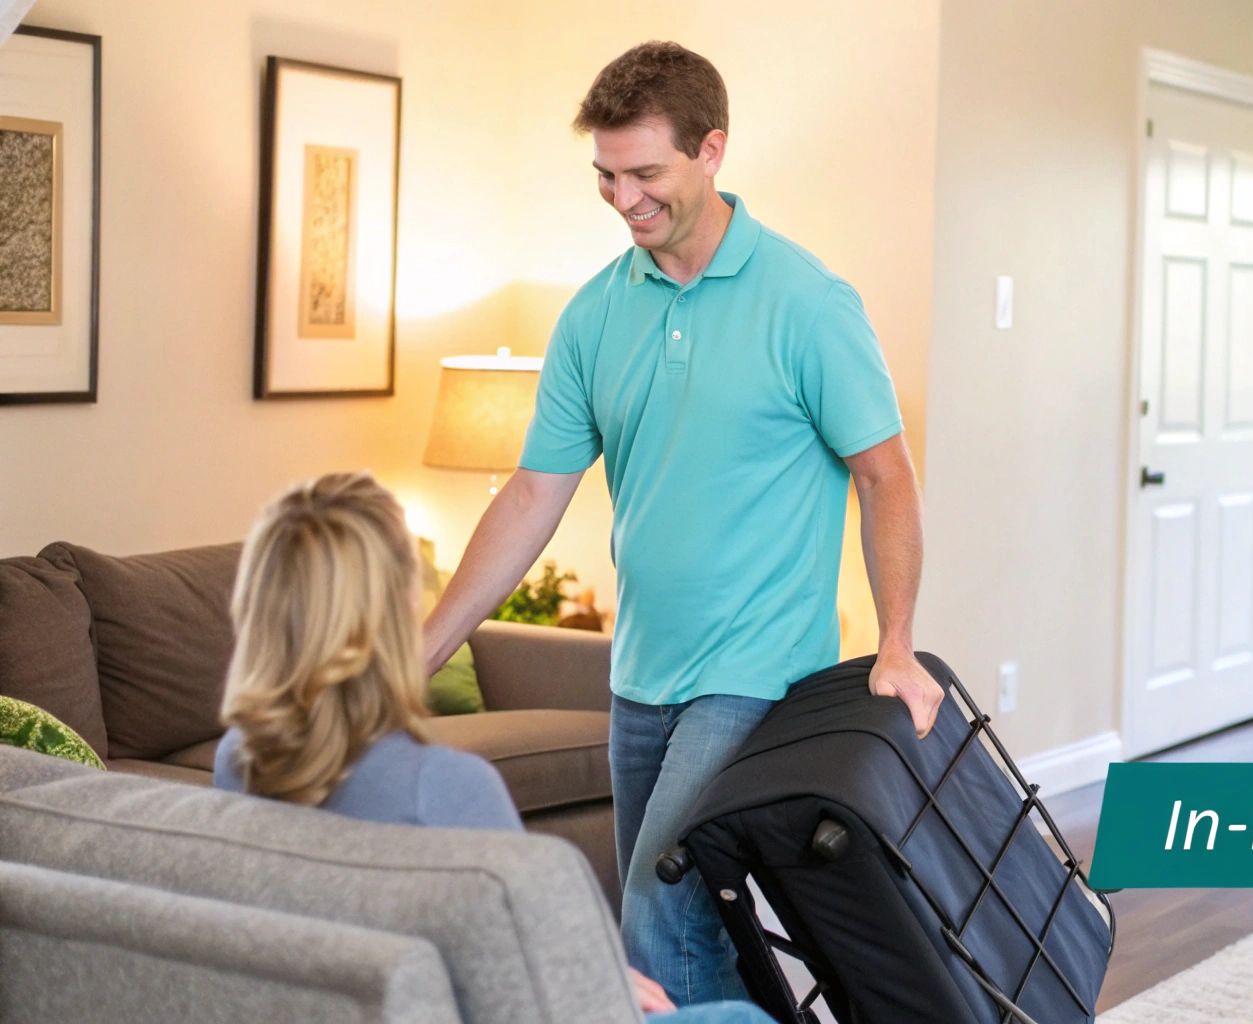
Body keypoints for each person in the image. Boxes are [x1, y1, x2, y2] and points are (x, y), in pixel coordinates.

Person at [421, 40, 945, 1007]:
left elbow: (886, 475)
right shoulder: (592, 316)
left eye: (645, 173)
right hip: (639, 672)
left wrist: (898, 642)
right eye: (606, 176)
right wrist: (421, 651)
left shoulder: (807, 303)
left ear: (711, 151)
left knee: (657, 913)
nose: (624, 200)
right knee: (686, 920)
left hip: (754, 672)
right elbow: (535, 493)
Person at [215, 471, 766, 1022]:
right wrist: (609, 980)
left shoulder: (237, 760)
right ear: (397, 608)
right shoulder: (443, 787)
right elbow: (546, 980)